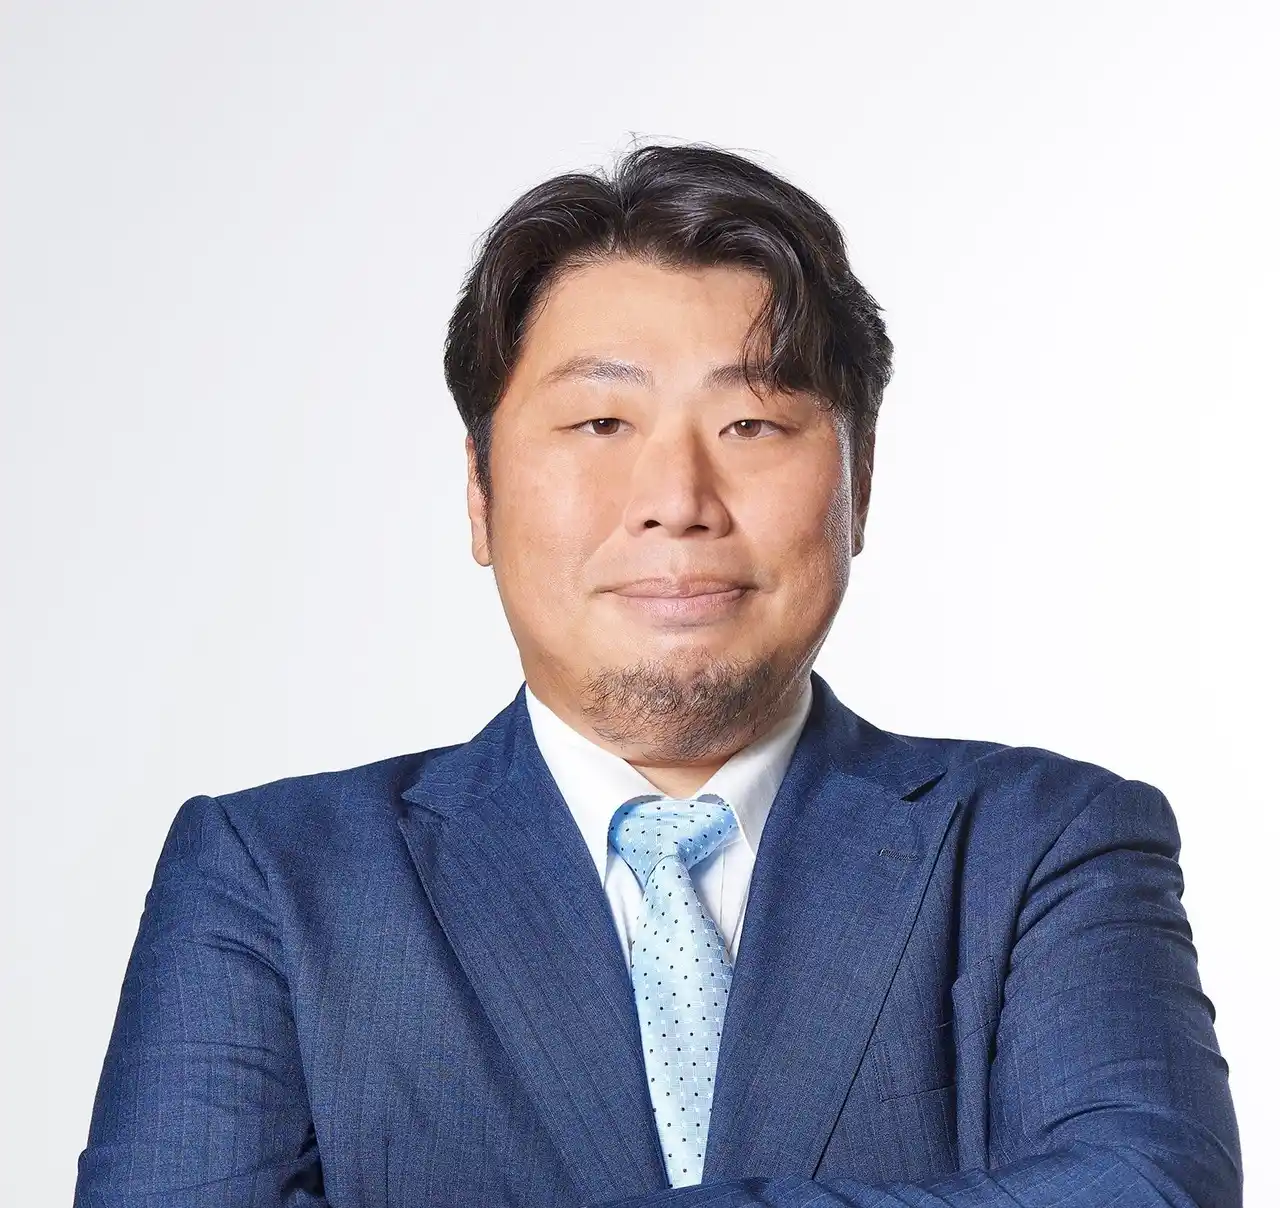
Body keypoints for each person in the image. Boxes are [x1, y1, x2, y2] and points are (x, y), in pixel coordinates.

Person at [73, 144, 1241, 1208]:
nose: (675, 500)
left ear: (860, 482)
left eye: (752, 424)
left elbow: (1146, 1189)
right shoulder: (274, 878)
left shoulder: (1038, 847)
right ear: (478, 491)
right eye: (599, 423)